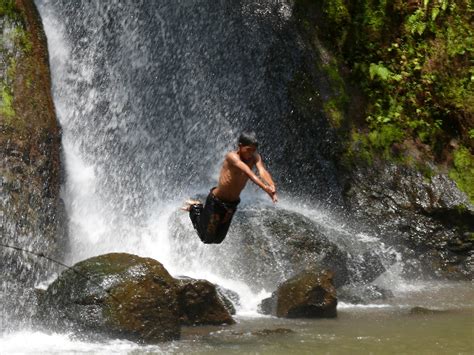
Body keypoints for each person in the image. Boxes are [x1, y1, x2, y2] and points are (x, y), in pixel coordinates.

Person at [182, 131, 277, 244]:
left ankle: (199, 210)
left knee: (218, 239)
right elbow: (249, 173)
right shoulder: (232, 157)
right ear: (240, 146)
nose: (251, 153)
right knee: (206, 238)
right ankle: (195, 207)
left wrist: (272, 186)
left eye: (253, 150)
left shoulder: (255, 157)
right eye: (248, 149)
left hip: (231, 205)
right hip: (216, 202)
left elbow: (262, 171)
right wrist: (266, 189)